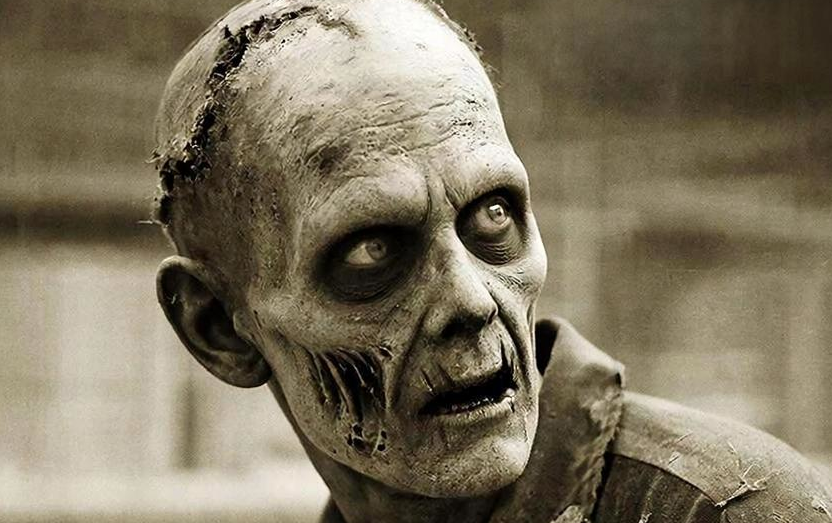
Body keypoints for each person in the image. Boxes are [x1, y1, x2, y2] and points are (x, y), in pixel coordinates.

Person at [151, 0, 832, 521]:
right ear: (217, 328)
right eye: (372, 251)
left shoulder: (726, 510)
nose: (472, 301)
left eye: (492, 216)